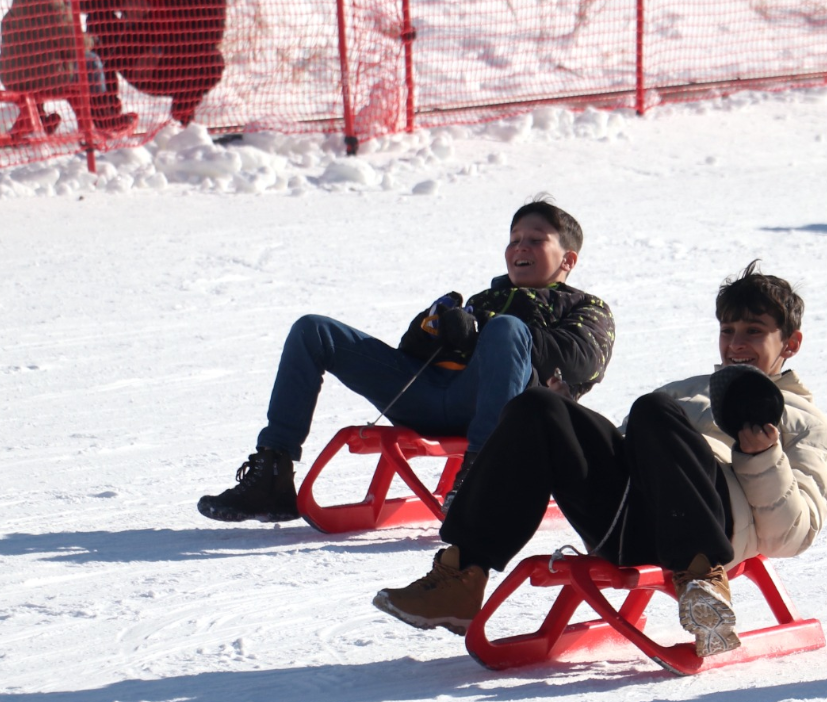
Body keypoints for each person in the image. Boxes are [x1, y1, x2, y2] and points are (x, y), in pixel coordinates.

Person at [373, 261, 827, 659]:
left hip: (707, 534)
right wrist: (567, 420)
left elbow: (792, 535)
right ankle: (461, 574)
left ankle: (702, 581)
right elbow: (626, 450)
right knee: (539, 406)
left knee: (652, 411)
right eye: (728, 330)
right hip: (628, 523)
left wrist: (762, 458)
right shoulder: (684, 390)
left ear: (791, 343)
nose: (736, 343)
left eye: (753, 332)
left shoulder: (806, 423)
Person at [197, 196, 616, 524]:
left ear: (568, 259)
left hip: (504, 413)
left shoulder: (587, 309)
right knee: (313, 330)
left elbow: (581, 363)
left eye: (535, 239)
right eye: (514, 239)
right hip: (428, 396)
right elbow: (411, 359)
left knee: (507, 329)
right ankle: (273, 471)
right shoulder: (481, 298)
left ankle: (485, 478)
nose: (519, 247)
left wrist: (488, 326)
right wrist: (428, 330)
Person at [80, 0, 227, 127]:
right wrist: (126, 1)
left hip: (178, 65)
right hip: (134, 58)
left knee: (213, 61)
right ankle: (106, 111)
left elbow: (212, 37)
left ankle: (184, 111)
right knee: (100, 20)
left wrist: (159, 48)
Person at [0, 0, 136, 133]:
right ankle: (104, 117)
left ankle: (38, 118)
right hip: (43, 74)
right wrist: (92, 41)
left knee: (38, 58)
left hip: (11, 73)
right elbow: (70, 41)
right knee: (92, 62)